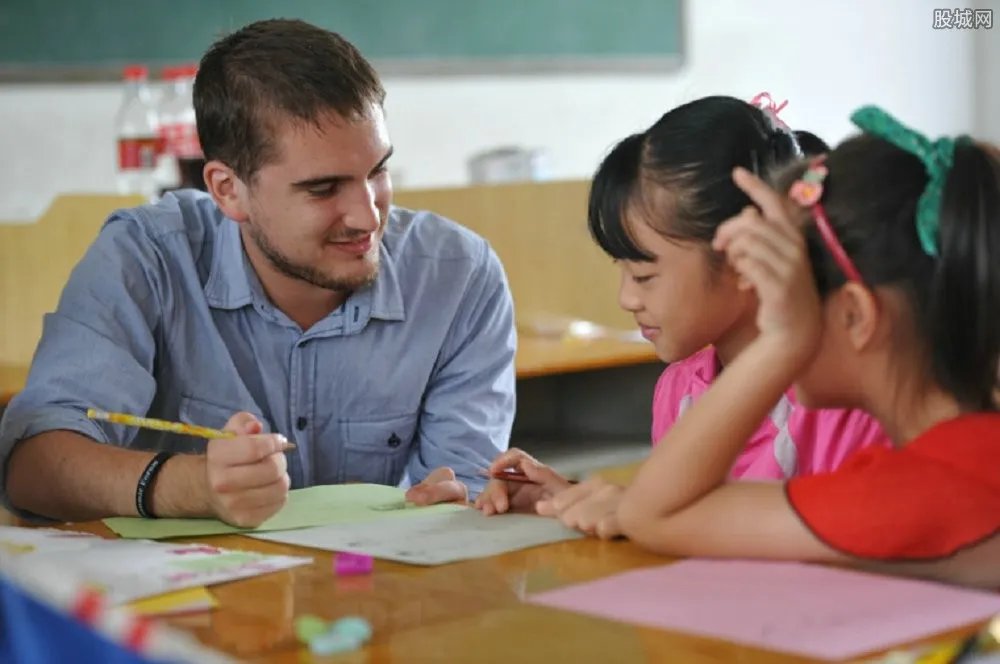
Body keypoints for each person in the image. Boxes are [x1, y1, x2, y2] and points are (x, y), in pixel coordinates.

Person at [0, 19, 515, 526]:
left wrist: (458, 504)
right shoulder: (146, 258)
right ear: (228, 189)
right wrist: (191, 486)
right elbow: (31, 466)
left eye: (377, 171)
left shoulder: (460, 276)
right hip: (189, 599)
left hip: (372, 594)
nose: (368, 216)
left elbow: (467, 487)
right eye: (322, 188)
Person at [613, 106, 1000, 587]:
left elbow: (651, 514)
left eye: (787, 295)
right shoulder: (955, 456)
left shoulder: (919, 492)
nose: (766, 308)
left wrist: (783, 342)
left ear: (856, 316)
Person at [475, 96, 886, 538]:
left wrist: (638, 512)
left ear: (742, 256)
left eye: (644, 275)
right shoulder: (681, 387)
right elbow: (685, 518)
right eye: (623, 271)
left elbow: (840, 541)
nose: (626, 299)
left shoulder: (841, 399)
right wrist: (568, 498)